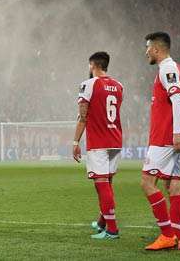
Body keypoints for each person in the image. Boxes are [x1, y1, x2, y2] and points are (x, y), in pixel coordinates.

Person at [141, 32, 180, 251]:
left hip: (165, 137)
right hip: (173, 136)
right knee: (174, 186)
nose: (146, 52)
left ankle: (167, 235)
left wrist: (176, 132)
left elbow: (177, 99)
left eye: (148, 48)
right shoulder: (174, 68)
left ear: (157, 49)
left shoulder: (167, 68)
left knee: (147, 183)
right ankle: (176, 236)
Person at [72, 52, 123, 240]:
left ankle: (112, 229)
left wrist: (76, 141)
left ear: (92, 65)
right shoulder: (119, 86)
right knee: (107, 183)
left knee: (101, 184)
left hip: (99, 142)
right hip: (115, 140)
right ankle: (102, 221)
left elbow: (83, 116)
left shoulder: (88, 85)